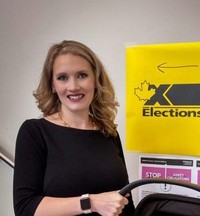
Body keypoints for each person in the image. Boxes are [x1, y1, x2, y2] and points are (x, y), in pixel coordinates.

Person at [13, 40, 135, 216]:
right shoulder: (35, 132)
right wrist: (91, 202)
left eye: (82, 75)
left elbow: (125, 202)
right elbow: (25, 207)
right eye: (62, 77)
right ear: (53, 85)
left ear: (95, 80)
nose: (73, 86)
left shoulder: (108, 132)